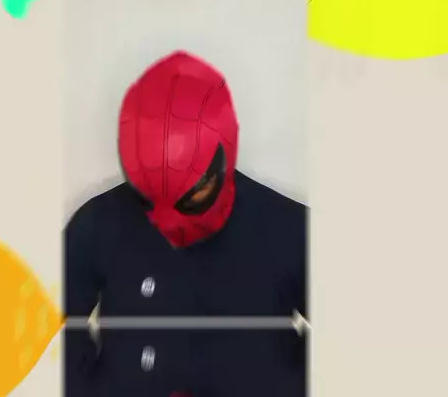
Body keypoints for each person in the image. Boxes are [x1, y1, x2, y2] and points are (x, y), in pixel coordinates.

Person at [64, 51, 307, 397]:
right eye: (152, 195)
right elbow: (43, 321)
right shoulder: (97, 224)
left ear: (223, 156)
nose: (168, 220)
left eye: (190, 195)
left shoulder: (289, 229)